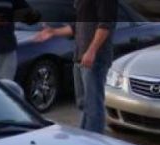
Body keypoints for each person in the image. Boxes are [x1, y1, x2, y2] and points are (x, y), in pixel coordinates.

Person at [33, 0, 117, 133]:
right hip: (80, 56)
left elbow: (105, 25)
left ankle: (94, 143)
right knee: (83, 103)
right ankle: (86, 136)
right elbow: (76, 27)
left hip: (95, 59)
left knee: (93, 104)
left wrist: (91, 51)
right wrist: (53, 32)